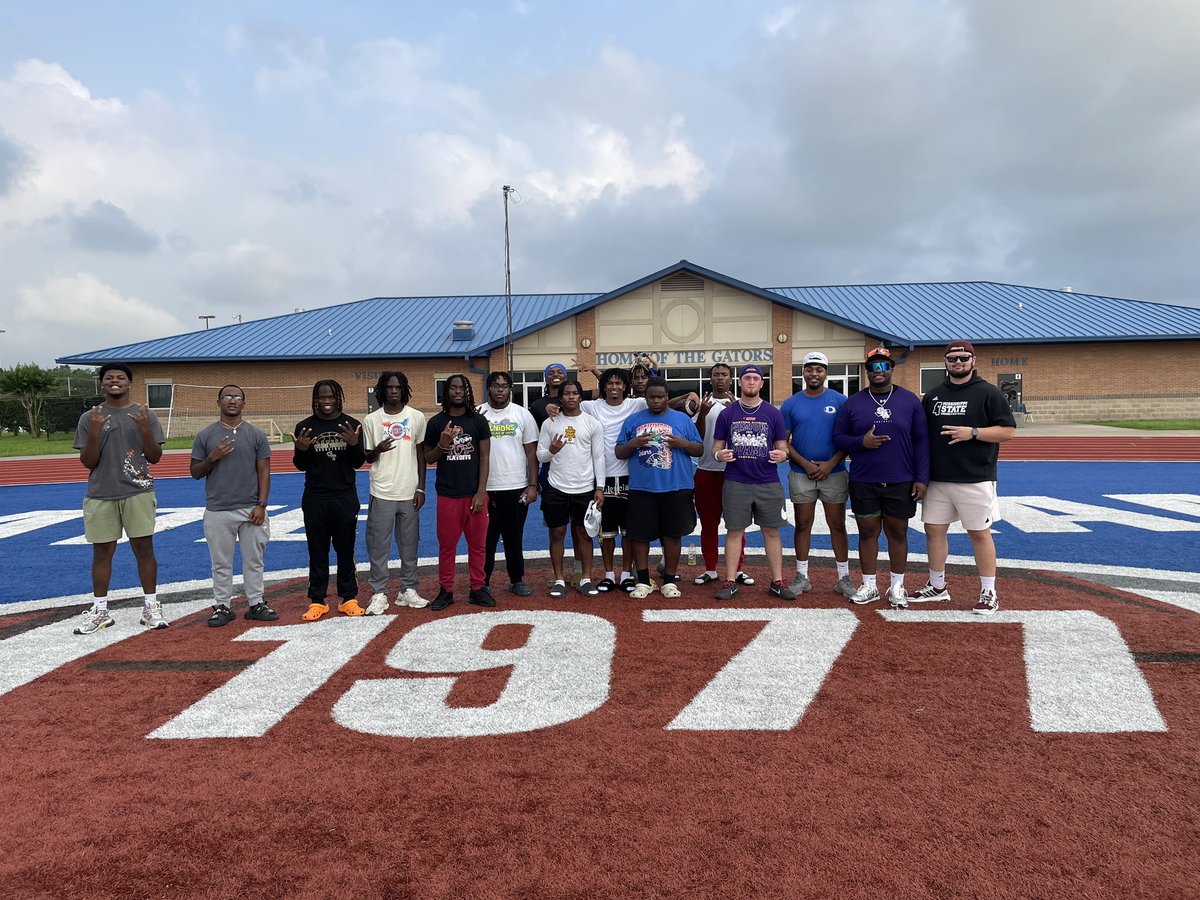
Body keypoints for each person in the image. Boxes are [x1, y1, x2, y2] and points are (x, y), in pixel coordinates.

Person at [916, 340, 1016, 614]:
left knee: (979, 533)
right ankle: (937, 586)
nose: (957, 363)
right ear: (945, 362)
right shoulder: (934, 395)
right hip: (939, 478)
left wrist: (972, 432)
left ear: (973, 360)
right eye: (952, 359)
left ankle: (988, 591)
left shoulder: (988, 393)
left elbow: (1007, 431)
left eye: (963, 358)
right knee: (934, 530)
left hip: (975, 477)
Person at [72, 362, 168, 634]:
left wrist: (145, 429)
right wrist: (94, 431)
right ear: (102, 383)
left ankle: (150, 606)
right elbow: (88, 461)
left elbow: (155, 457)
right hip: (101, 493)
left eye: (121, 377)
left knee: (144, 549)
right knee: (102, 552)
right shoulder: (89, 417)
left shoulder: (144, 414)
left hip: (138, 490)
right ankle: (100, 610)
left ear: (129, 383)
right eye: (109, 377)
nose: (115, 381)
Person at [833, 347, 929, 608]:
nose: (879, 371)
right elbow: (839, 438)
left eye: (883, 366)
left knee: (897, 532)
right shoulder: (853, 403)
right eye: (873, 367)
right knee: (867, 533)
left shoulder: (909, 401)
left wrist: (922, 478)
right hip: (865, 479)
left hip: (901, 479)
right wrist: (861, 441)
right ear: (866, 372)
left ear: (891, 369)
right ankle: (870, 585)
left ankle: (897, 585)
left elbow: (921, 441)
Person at [191, 385, 278, 626]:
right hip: (218, 509)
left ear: (244, 403)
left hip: (251, 508)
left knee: (254, 560)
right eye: (227, 397)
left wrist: (262, 504)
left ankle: (256, 603)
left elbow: (264, 471)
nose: (232, 400)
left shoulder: (256, 435)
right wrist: (212, 457)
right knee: (220, 563)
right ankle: (222, 606)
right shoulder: (205, 436)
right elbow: (195, 472)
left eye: (237, 397)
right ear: (218, 402)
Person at [710, 365, 795, 601]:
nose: (751, 382)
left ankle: (777, 581)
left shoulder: (772, 413)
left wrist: (783, 455)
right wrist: (719, 456)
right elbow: (716, 447)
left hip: (767, 481)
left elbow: (782, 446)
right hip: (736, 481)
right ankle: (730, 580)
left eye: (755, 378)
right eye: (747, 378)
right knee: (734, 531)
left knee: (772, 531)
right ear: (739, 382)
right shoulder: (727, 414)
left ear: (762, 383)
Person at [615, 378, 703, 599]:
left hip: (677, 486)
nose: (655, 401)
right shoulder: (633, 420)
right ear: (645, 398)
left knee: (673, 535)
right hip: (643, 488)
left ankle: (670, 581)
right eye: (651, 397)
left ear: (667, 397)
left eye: (660, 397)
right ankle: (643, 581)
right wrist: (633, 444)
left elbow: (699, 449)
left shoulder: (682, 419)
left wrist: (682, 443)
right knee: (639, 536)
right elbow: (619, 452)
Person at [780, 352, 854, 598]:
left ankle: (843, 578)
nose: (814, 373)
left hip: (834, 472)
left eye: (819, 369)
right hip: (802, 473)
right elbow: (783, 441)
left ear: (826, 372)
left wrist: (830, 464)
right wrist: (807, 464)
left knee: (837, 525)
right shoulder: (791, 403)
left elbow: (847, 439)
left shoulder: (841, 401)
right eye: (809, 369)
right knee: (802, 524)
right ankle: (802, 576)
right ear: (803, 372)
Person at [292, 380, 366, 621]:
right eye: (322, 397)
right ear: (315, 398)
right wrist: (302, 450)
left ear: (339, 397)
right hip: (315, 498)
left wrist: (354, 445)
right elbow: (300, 465)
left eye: (331, 396)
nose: (326, 401)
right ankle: (317, 601)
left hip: (344, 496)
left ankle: (349, 598)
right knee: (318, 550)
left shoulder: (352, 425)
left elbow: (358, 462)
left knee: (346, 550)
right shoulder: (305, 427)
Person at [362, 371, 429, 614]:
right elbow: (367, 457)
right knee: (379, 546)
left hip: (409, 491)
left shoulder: (417, 417)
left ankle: (407, 590)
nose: (393, 391)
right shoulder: (371, 420)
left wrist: (421, 487)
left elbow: (421, 455)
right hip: (382, 491)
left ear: (404, 390)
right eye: (389, 387)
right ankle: (379, 593)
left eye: (398, 387)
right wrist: (377, 449)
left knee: (409, 545)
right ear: (382, 390)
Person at [424, 374, 492, 611]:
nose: (457, 392)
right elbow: (427, 458)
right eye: (452, 388)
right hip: (448, 495)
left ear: (468, 391)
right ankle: (446, 590)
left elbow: (484, 457)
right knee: (447, 546)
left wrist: (481, 491)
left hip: (474, 494)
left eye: (461, 388)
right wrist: (443, 443)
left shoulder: (478, 421)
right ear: (446, 392)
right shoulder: (435, 423)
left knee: (478, 546)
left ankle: (477, 588)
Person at [537, 379, 606, 597]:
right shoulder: (550, 423)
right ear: (561, 396)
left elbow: (599, 457)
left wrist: (600, 486)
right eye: (566, 393)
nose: (570, 397)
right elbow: (540, 455)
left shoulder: (592, 423)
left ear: (580, 396)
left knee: (584, 534)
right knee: (557, 533)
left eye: (575, 393)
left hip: (584, 487)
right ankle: (558, 578)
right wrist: (552, 451)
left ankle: (585, 578)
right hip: (556, 487)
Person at [581, 367, 646, 592]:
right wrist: (551, 407)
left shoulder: (636, 404)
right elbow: (565, 405)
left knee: (629, 531)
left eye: (619, 383)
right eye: (610, 383)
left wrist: (689, 397)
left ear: (626, 386)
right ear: (603, 386)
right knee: (606, 531)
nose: (614, 387)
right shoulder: (590, 406)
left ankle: (627, 574)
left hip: (631, 476)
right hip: (602, 478)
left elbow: (662, 401)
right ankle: (609, 574)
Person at [478, 371, 539, 598]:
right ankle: (482, 581)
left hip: (516, 486)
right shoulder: (478, 413)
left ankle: (516, 579)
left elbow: (531, 452)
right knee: (487, 538)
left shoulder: (522, 414)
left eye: (504, 386)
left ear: (510, 389)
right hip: (486, 488)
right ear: (489, 388)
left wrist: (533, 485)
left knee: (514, 536)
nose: (500, 390)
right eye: (496, 385)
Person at [691, 363, 752, 586]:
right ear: (710, 379)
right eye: (716, 375)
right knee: (709, 524)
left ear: (731, 379)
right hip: (706, 471)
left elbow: (747, 436)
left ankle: (737, 570)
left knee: (737, 524)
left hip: (734, 472)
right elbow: (696, 438)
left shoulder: (741, 405)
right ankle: (710, 569)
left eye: (724, 375)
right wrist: (702, 414)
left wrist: (738, 411)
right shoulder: (701, 405)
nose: (720, 378)